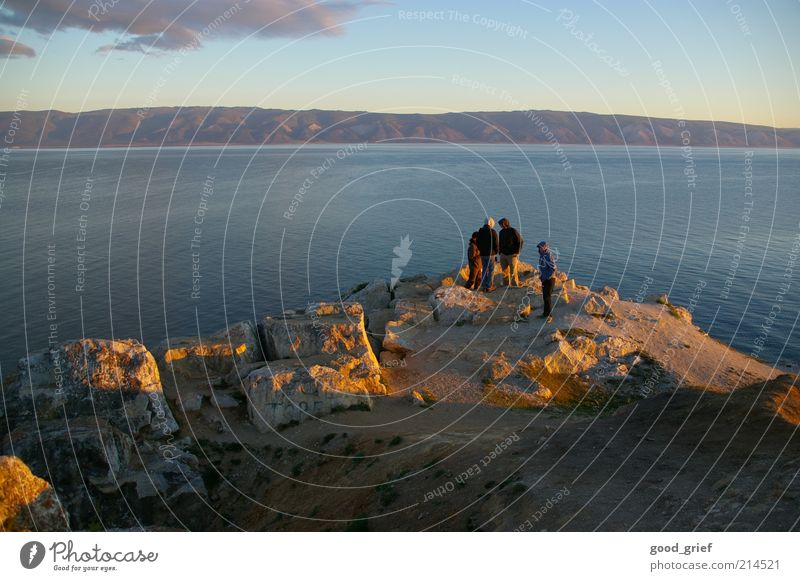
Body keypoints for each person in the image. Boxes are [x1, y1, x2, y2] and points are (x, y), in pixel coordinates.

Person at [498, 218, 524, 287]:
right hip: (503, 254)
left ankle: (514, 285)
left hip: (512, 255)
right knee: (504, 271)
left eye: (500, 224)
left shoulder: (513, 231)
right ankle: (505, 285)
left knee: (513, 271)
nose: (500, 226)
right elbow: (499, 243)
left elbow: (520, 241)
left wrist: (517, 252)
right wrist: (500, 252)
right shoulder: (501, 232)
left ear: (504, 224)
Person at [476, 217, 499, 292]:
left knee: (484, 269)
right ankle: (489, 286)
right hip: (490, 254)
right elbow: (496, 244)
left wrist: (481, 250)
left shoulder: (480, 231)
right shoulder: (492, 232)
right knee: (491, 270)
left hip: (482, 254)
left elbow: (478, 243)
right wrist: (496, 252)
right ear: (491, 223)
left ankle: (483, 285)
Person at [537, 240, 557, 321]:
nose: (539, 249)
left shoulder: (549, 256)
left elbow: (553, 268)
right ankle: (545, 314)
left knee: (547, 297)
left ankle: (549, 316)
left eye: (541, 247)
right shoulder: (542, 256)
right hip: (544, 279)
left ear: (545, 248)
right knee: (545, 297)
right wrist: (541, 276)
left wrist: (547, 276)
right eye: (539, 247)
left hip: (550, 279)